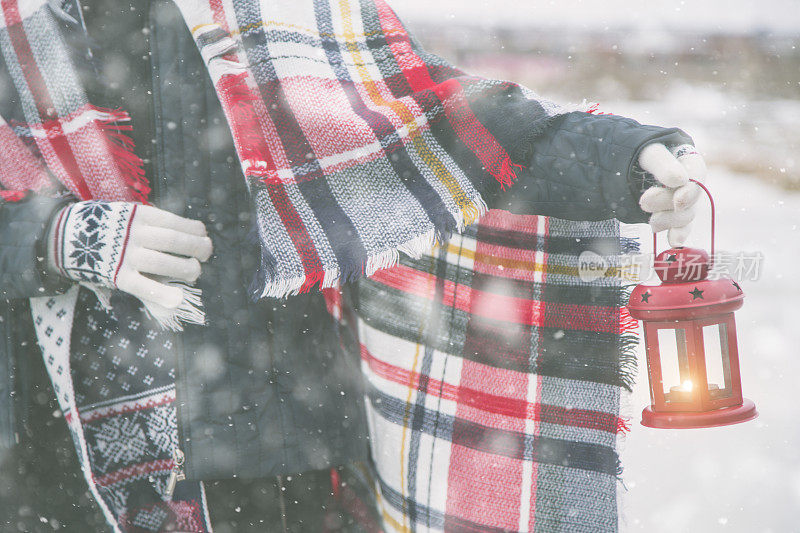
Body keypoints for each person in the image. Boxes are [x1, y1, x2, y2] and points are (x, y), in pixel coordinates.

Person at [0, 0, 704, 531]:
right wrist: (55, 236)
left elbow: (427, 123)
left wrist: (619, 155)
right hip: (55, 466)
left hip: (284, 442)